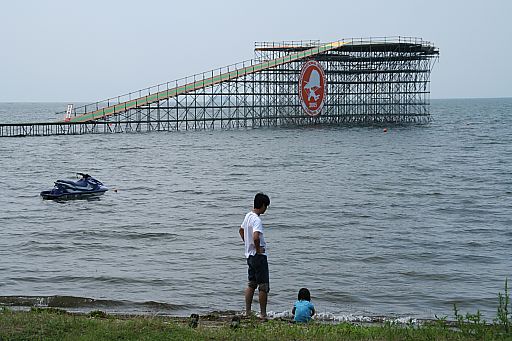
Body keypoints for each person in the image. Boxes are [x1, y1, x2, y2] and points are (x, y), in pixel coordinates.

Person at [239, 192, 270, 319]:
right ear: (262, 205)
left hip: (249, 256)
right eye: (266, 206)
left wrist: (247, 244)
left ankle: (248, 312)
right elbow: (256, 236)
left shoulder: (248, 216)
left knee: (251, 283)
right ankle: (263, 314)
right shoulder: (257, 219)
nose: (266, 209)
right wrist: (257, 249)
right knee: (263, 286)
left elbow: (241, 230)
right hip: (258, 256)